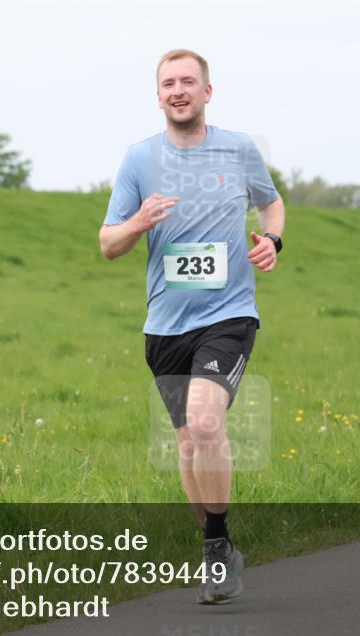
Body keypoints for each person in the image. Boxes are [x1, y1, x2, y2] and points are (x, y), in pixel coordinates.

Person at [99, 49, 285, 603]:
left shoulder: (239, 148)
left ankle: (217, 544)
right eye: (167, 84)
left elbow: (272, 206)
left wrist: (272, 240)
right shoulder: (138, 160)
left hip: (228, 315)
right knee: (186, 445)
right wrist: (138, 220)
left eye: (188, 82)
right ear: (158, 96)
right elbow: (108, 244)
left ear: (208, 91)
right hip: (165, 324)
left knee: (206, 424)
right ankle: (216, 545)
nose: (178, 90)